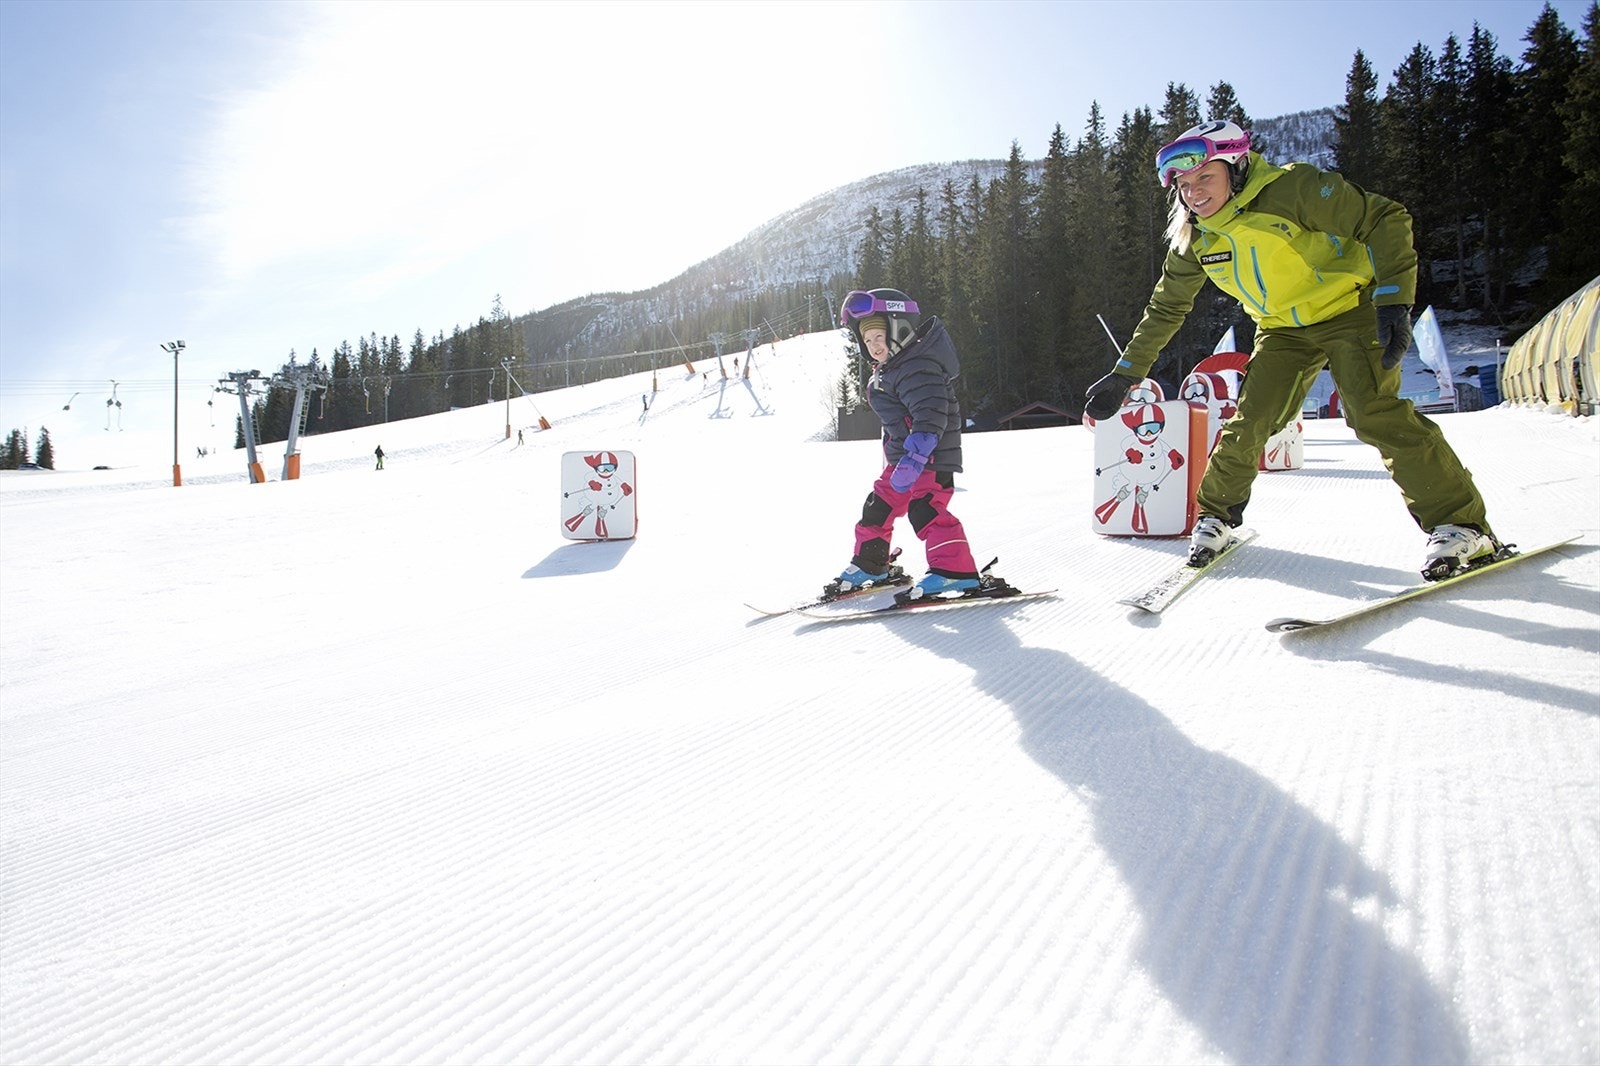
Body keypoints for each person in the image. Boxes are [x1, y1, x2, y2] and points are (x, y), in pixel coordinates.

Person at [1082, 120, 1498, 581]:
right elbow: (1167, 307)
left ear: (1235, 168)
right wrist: (1126, 373)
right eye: (1183, 184)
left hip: (1350, 307)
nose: (1194, 192)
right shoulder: (1196, 237)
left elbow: (1384, 217)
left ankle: (1461, 526)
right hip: (1282, 328)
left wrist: (1395, 298)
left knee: (1373, 411)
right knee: (1252, 420)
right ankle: (1216, 516)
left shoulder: (1292, 189)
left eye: (1205, 177)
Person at [828, 288, 999, 603]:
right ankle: (871, 564)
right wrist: (901, 459)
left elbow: (931, 414)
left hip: (929, 460)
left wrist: (916, 456)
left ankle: (954, 571)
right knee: (877, 507)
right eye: (867, 341)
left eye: (879, 337)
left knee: (926, 510)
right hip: (904, 462)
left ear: (900, 330)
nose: (874, 347)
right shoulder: (895, 369)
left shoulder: (918, 366)